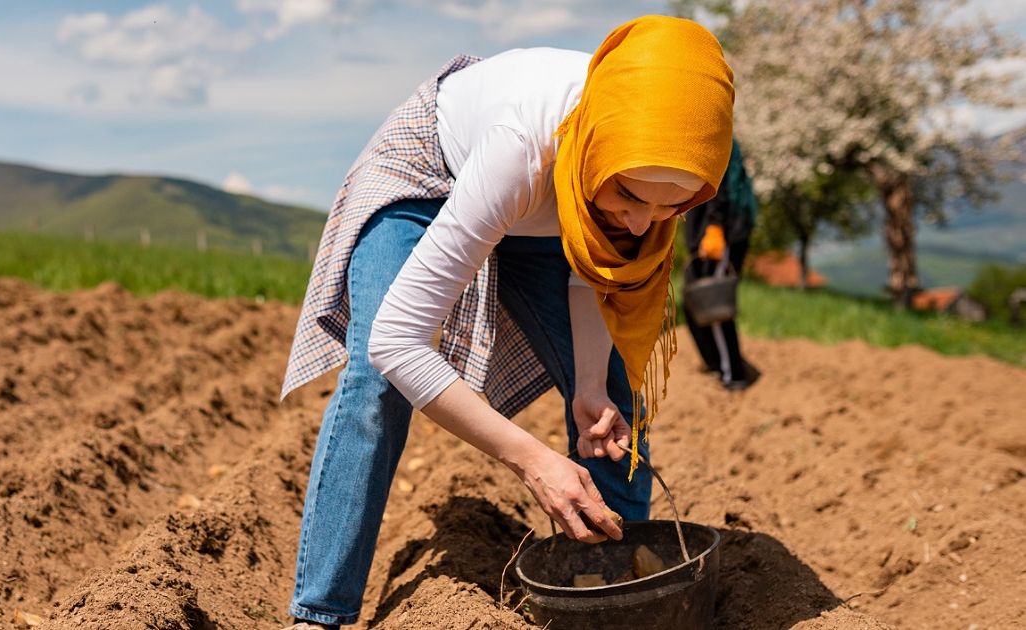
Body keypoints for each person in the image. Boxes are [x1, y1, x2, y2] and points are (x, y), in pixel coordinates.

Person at [280, 16, 734, 629]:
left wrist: (590, 385)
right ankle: (320, 612)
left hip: (545, 206)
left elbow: (595, 270)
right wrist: (531, 459)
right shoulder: (519, 149)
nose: (639, 223)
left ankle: (620, 597)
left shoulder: (656, 157)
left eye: (671, 206)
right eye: (629, 196)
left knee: (612, 395)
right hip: (431, 175)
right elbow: (397, 341)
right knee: (376, 379)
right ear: (596, 152)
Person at [682, 139, 760, 391]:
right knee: (694, 302)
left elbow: (719, 182)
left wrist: (715, 226)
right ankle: (716, 364)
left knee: (714, 304)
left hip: (720, 232)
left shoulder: (712, 135)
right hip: (706, 231)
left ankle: (733, 375)